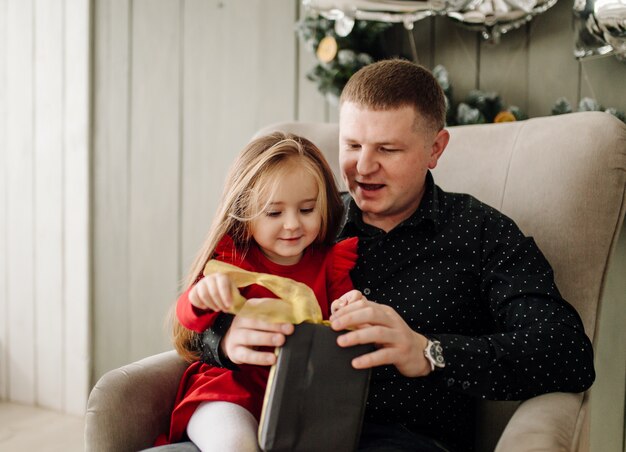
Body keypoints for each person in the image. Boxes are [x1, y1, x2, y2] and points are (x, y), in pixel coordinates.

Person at [155, 59, 595, 452]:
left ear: (435, 149)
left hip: (401, 437)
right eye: (352, 146)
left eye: (387, 149)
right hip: (267, 426)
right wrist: (225, 343)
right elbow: (200, 312)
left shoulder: (482, 234)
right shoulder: (306, 220)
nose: (363, 167)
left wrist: (428, 352)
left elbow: (566, 354)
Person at [154, 132, 362, 451]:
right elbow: (188, 317)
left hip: (296, 401)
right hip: (226, 393)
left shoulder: (329, 266)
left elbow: (342, 326)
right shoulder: (232, 260)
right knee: (236, 444)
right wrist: (200, 298)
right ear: (244, 213)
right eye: (274, 213)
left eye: (306, 210)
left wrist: (352, 308)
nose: (292, 224)